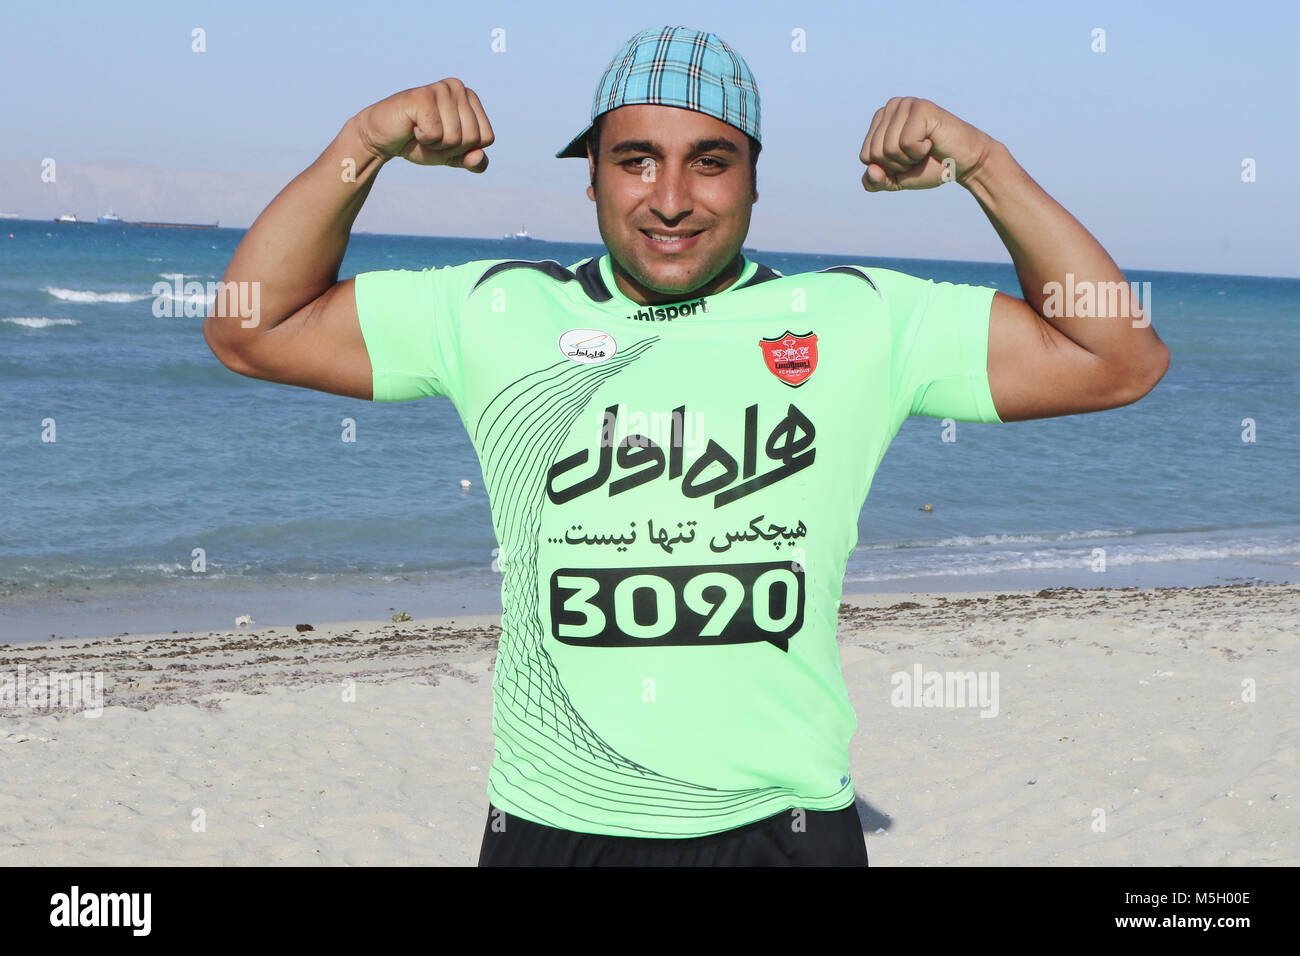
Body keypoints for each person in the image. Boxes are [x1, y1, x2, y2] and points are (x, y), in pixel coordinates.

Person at [203, 25, 1169, 866]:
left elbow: (1115, 359)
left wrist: (983, 164)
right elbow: (251, 327)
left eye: (710, 160)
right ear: (589, 178)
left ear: (754, 178)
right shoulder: (497, 308)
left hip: (784, 826)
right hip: (554, 820)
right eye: (636, 160)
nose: (670, 197)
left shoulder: (857, 317)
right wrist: (360, 144)